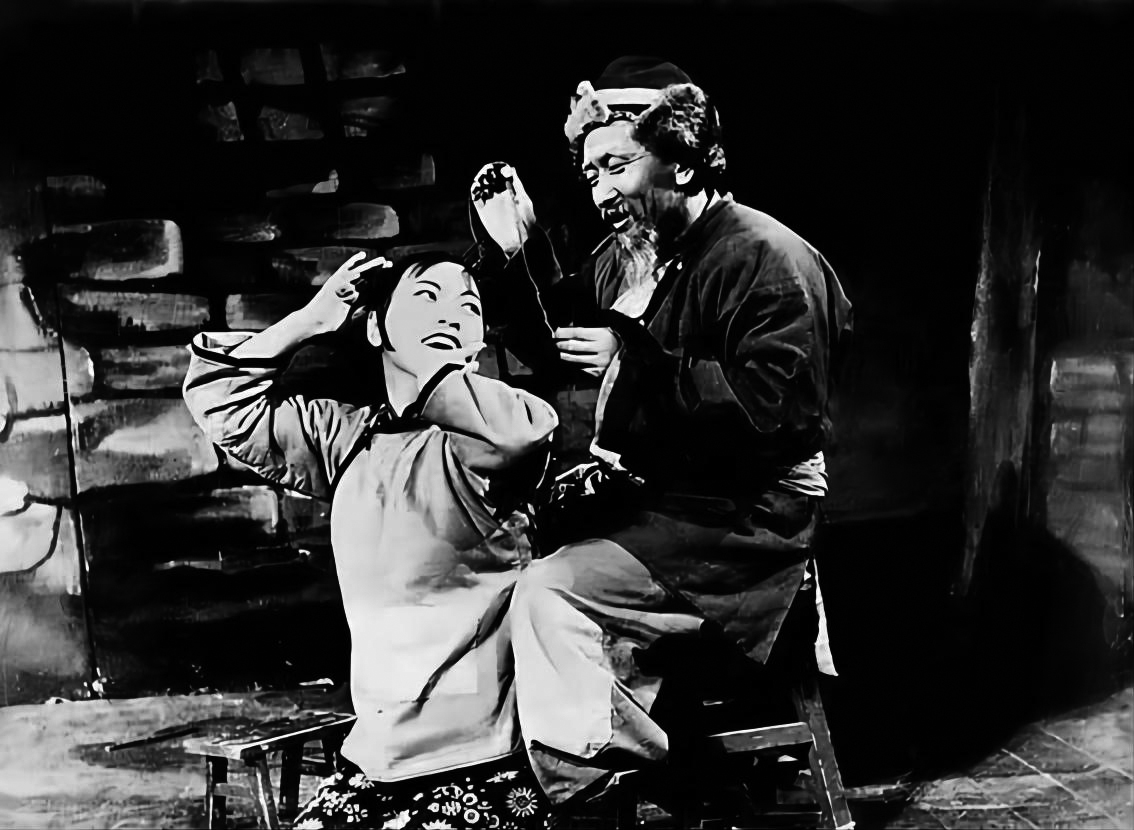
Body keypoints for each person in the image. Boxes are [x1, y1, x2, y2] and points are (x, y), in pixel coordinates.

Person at [470, 56, 853, 815]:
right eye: (590, 175)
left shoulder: (768, 259)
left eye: (617, 167)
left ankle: (615, 785)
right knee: (502, 555)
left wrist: (635, 360)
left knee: (551, 592)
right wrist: (518, 253)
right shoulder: (642, 252)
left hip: (744, 514)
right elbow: (559, 341)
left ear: (680, 160)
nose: (600, 193)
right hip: (672, 497)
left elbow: (769, 415)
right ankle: (612, 760)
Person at [183, 251, 559, 829]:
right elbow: (223, 404)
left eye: (468, 308)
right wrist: (311, 320)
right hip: (378, 757)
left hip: (483, 756)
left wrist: (436, 366)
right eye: (427, 298)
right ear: (376, 327)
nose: (450, 315)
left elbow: (518, 435)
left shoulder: (476, 443)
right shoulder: (349, 438)